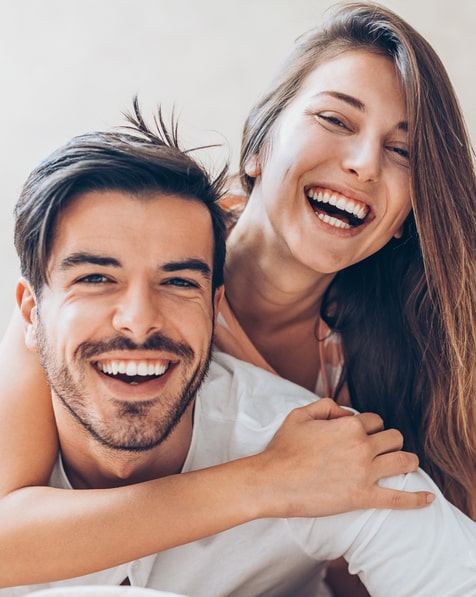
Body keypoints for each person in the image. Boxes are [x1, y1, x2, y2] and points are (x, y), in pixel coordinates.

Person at [0, 0, 475, 592]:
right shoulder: (114, 274)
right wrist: (265, 479)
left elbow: (388, 548)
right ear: (257, 143)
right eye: (335, 120)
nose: (362, 165)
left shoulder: (389, 358)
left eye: (401, 151)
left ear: (408, 215)